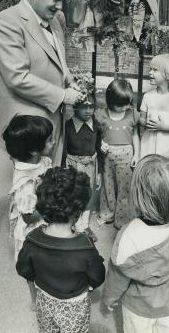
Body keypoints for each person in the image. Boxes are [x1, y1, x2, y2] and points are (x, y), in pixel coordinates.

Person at [0, 0, 83, 165]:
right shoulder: (7, 21)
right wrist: (63, 95)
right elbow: (17, 77)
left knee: (51, 185)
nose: (60, 6)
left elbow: (58, 59)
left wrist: (69, 80)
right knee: (31, 189)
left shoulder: (56, 20)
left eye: (62, 0)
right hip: (29, 126)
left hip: (53, 117)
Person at [102, 155, 169, 333]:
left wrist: (109, 298)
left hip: (138, 308)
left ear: (139, 197)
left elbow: (117, 278)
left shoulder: (128, 235)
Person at [16, 166, 105, 333]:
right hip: (75, 306)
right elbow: (97, 277)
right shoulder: (85, 247)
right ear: (78, 213)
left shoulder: (32, 239)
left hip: (45, 301)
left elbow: (23, 268)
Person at [2, 115, 54, 308]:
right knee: (34, 267)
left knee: (47, 264)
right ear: (33, 150)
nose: (54, 141)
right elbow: (29, 216)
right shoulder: (25, 183)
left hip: (44, 215)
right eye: (50, 139)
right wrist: (51, 204)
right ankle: (35, 297)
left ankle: (47, 290)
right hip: (33, 227)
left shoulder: (37, 160)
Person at [96, 79, 140, 229]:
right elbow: (97, 134)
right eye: (122, 104)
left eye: (128, 103)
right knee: (108, 186)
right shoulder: (101, 115)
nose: (126, 107)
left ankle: (122, 219)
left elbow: (135, 135)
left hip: (126, 155)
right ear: (111, 101)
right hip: (108, 156)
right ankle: (107, 213)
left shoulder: (132, 114)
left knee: (124, 187)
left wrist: (137, 154)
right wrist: (100, 144)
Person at [62, 94, 104, 233]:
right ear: (74, 108)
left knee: (89, 193)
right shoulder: (68, 127)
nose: (88, 111)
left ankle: (84, 224)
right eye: (84, 107)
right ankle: (73, 222)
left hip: (90, 166)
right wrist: (63, 168)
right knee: (74, 193)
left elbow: (99, 148)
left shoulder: (96, 125)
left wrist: (99, 172)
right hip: (73, 166)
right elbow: (63, 149)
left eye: (91, 107)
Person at [140, 53, 169, 158]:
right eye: (150, 69)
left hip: (167, 146)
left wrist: (163, 126)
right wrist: (145, 122)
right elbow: (141, 119)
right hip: (148, 144)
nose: (150, 72)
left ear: (168, 75)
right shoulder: (147, 96)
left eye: (155, 70)